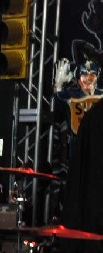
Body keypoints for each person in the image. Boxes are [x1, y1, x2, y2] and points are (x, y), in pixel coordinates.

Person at [50, 58, 102, 218]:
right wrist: (58, 85)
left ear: (98, 76)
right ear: (77, 77)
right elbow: (57, 101)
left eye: (92, 74)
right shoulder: (71, 95)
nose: (87, 78)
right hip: (76, 148)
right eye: (84, 75)